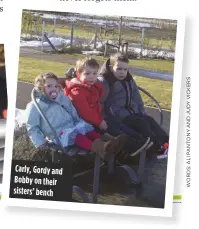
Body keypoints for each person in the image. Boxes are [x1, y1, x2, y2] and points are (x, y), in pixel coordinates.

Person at [25, 72, 125, 161]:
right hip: (58, 134)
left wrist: (78, 121)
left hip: (71, 126)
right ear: (41, 88)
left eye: (56, 86)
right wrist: (40, 143)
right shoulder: (35, 106)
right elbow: (32, 127)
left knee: (87, 131)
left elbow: (71, 110)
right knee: (77, 136)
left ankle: (111, 141)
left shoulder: (60, 98)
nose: (54, 89)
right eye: (49, 86)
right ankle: (101, 148)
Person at [64, 57, 151, 158]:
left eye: (94, 73)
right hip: (85, 124)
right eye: (87, 74)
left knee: (117, 125)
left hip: (96, 120)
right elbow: (85, 112)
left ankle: (140, 142)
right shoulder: (77, 92)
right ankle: (132, 149)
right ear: (78, 74)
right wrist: (99, 121)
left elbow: (96, 104)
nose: (91, 77)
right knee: (113, 129)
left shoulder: (91, 86)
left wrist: (100, 119)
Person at [98, 52, 169, 159]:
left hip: (132, 113)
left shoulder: (129, 80)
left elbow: (137, 98)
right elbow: (100, 102)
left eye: (125, 69)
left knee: (148, 119)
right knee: (141, 124)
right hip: (117, 117)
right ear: (111, 67)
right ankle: (156, 148)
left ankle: (166, 143)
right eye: (119, 69)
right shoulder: (105, 81)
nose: (122, 72)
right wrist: (101, 120)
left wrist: (142, 112)